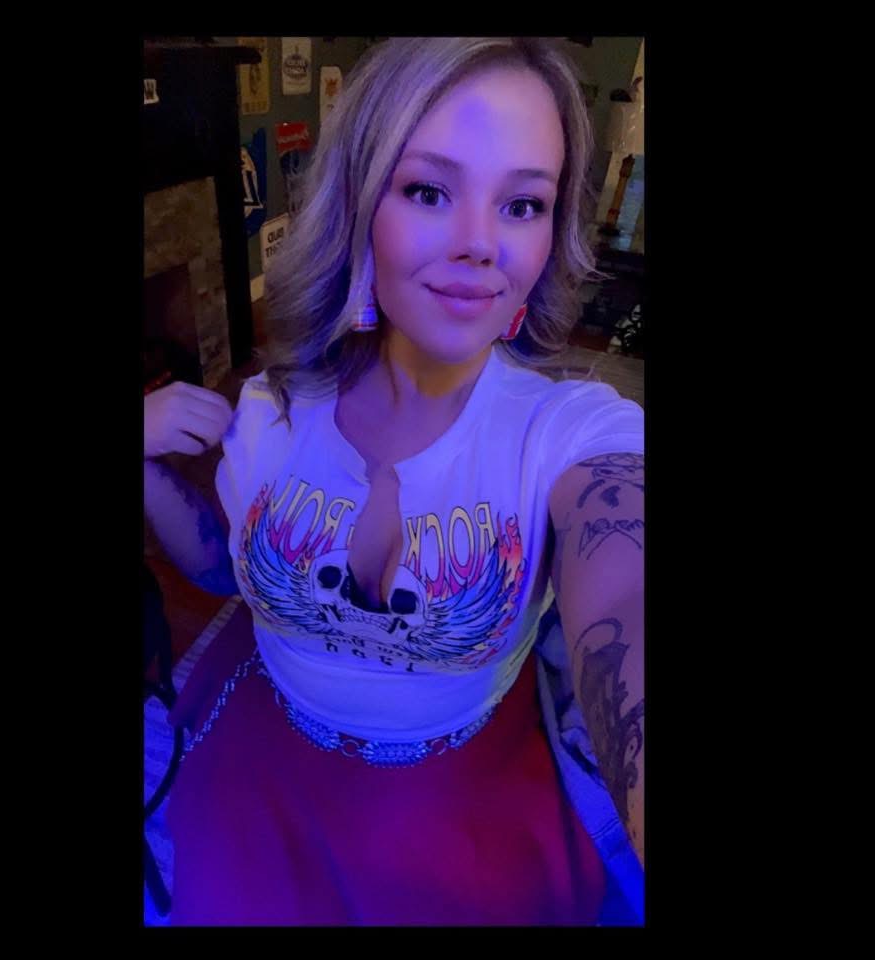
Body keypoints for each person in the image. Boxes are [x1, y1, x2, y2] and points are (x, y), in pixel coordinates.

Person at [143, 36, 644, 926]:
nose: (481, 245)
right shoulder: (271, 407)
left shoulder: (571, 431)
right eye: (428, 191)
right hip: (267, 769)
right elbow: (225, 567)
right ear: (358, 204)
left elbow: (628, 596)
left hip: (464, 812)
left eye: (522, 204)